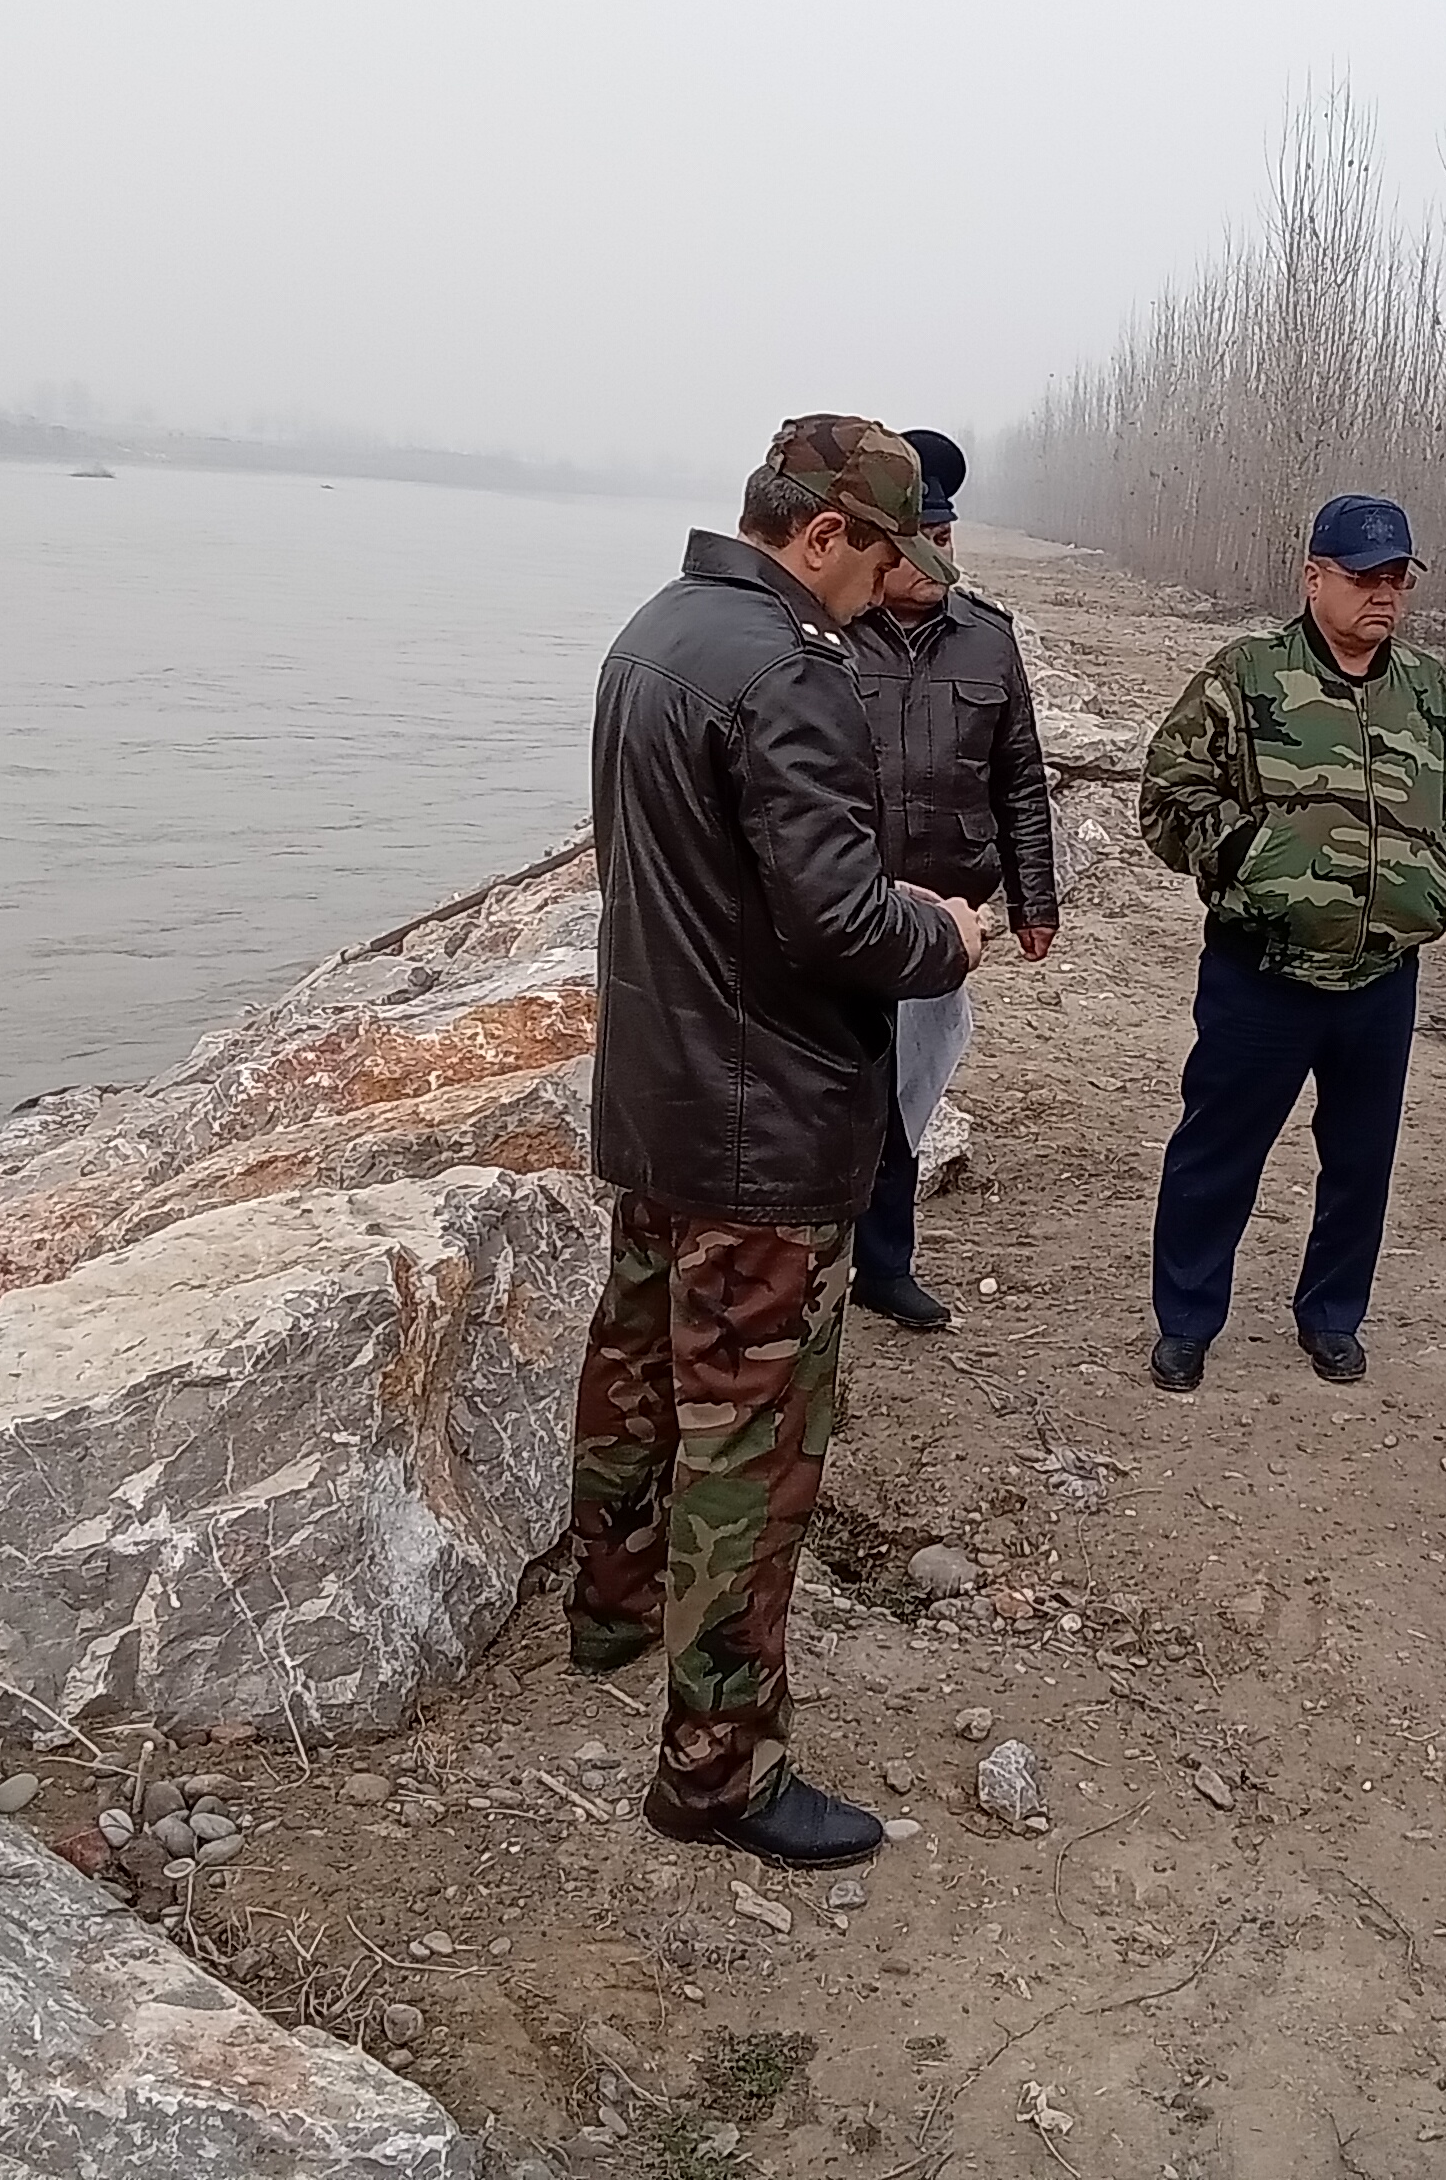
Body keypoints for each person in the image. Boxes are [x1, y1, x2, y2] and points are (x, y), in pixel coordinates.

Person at [568, 414, 985, 1869]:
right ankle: (719, 1771)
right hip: (765, 1121)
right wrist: (944, 934)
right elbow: (837, 921)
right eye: (883, 556)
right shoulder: (790, 672)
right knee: (748, 1442)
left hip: (659, 1091)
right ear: (822, 536)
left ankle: (612, 1610)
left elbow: (687, 877)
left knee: (633, 1370)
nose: (890, 587)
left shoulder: (655, 632)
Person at [1136, 493, 1446, 1394]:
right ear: (1314, 577)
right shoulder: (1248, 676)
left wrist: (1438, 874)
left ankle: (1333, 1316)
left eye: (1397, 579)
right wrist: (1255, 863)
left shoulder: (1431, 692)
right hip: (1261, 974)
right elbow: (1167, 796)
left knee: (1361, 1161)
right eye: (1364, 576)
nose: (1384, 595)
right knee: (1218, 1153)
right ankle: (1187, 1319)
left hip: (1382, 976)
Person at [844, 428, 1059, 1330]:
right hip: (844, 910)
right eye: (921, 541)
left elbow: (1020, 777)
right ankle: (819, 1257)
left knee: (908, 1097)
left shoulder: (988, 642)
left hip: (946, 917)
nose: (939, 559)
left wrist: (1035, 900)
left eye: (947, 538)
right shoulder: (829, 639)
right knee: (836, 1094)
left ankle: (884, 1266)